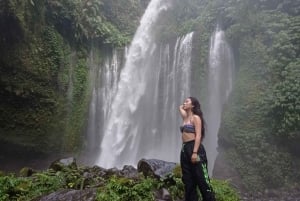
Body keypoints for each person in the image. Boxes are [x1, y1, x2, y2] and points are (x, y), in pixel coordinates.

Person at [179, 97, 215, 201]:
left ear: (193, 105)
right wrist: (185, 106)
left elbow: (198, 136)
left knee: (202, 179)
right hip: (184, 149)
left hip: (195, 148)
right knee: (188, 181)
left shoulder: (196, 118)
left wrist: (195, 152)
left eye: (187, 101)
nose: (184, 103)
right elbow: (180, 107)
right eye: (184, 101)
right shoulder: (185, 117)